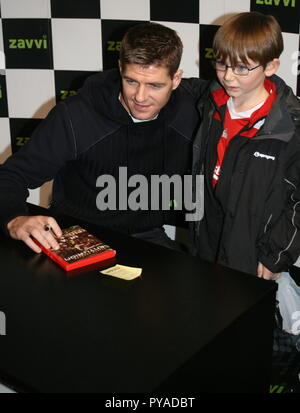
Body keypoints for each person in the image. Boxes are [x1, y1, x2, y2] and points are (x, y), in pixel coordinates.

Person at [0, 22, 205, 253]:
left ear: (176, 79)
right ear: (120, 68)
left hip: (146, 238)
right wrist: (14, 219)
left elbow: (237, 88)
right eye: (131, 81)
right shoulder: (76, 115)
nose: (140, 96)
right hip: (76, 236)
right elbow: (11, 175)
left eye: (155, 85)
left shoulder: (192, 110)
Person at [191, 12, 300, 280]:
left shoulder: (290, 127)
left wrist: (276, 255)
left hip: (252, 258)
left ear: (271, 67)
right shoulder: (210, 101)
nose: (228, 77)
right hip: (205, 246)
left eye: (242, 68)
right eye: (221, 64)